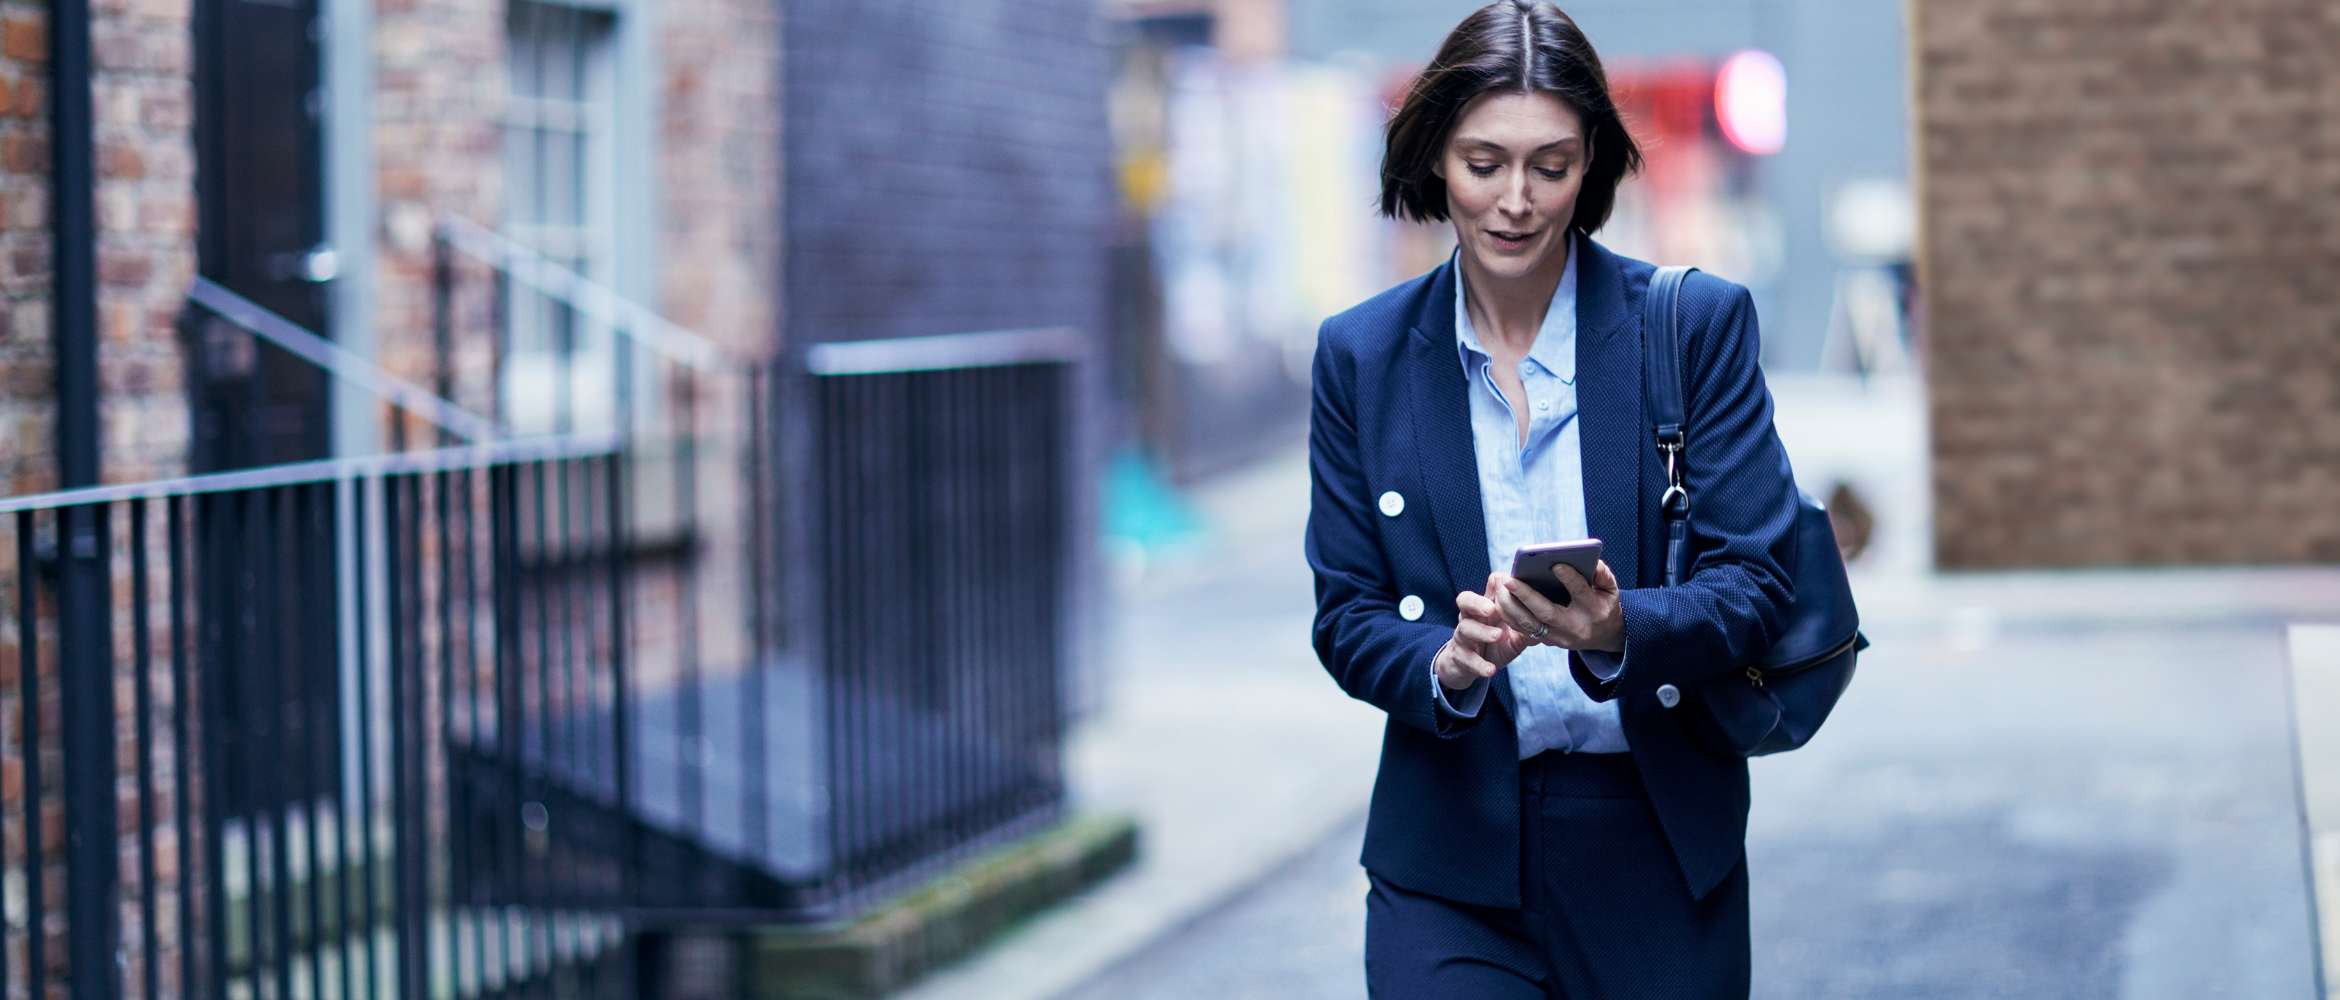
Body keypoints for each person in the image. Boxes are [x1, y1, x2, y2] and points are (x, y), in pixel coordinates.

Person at [1303, 2, 1800, 996]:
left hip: (1653, 843)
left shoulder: (1692, 328)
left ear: (1592, 167)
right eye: (1484, 163)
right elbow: (1346, 611)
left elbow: (1759, 580)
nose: (1517, 200)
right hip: (1447, 855)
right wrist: (1443, 662)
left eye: (1552, 165)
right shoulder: (1359, 354)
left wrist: (1622, 627)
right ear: (1435, 154)